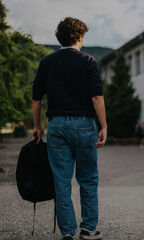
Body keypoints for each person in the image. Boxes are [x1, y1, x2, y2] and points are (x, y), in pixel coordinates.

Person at [32, 17, 107, 240]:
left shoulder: (46, 63)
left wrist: (37, 126)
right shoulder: (89, 61)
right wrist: (103, 125)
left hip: (56, 125)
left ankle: (67, 233)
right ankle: (88, 229)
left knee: (61, 181)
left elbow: (36, 99)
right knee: (88, 178)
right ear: (80, 37)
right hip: (84, 124)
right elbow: (96, 96)